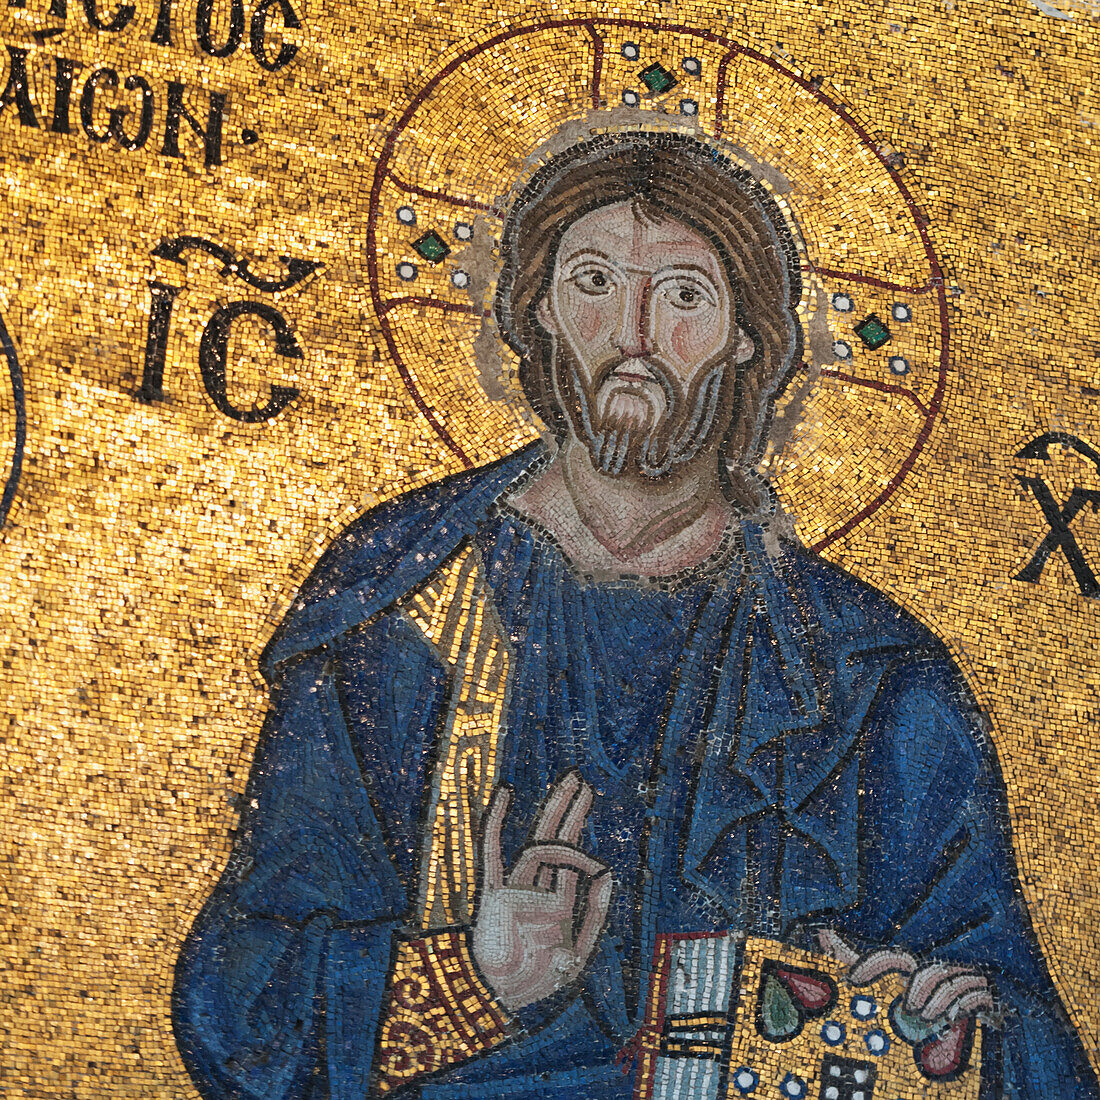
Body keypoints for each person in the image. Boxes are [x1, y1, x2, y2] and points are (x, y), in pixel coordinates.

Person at [173, 132, 1099, 1100]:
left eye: (684, 296)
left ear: (747, 334)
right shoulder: (399, 612)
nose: (635, 334)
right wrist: (465, 981)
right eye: (594, 280)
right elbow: (234, 1000)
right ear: (535, 308)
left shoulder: (874, 685)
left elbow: (1032, 1050)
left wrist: (939, 1031)